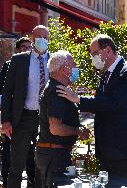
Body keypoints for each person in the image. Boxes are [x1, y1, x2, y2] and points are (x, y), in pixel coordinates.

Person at [57, 34, 127, 186]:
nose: (92, 57)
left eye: (94, 53)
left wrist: (79, 99)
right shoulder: (107, 73)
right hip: (109, 148)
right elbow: (101, 104)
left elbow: (113, 103)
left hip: (125, 149)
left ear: (107, 50)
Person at [1, 25, 50, 188]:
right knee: (16, 165)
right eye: (39, 36)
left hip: (46, 120)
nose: (42, 40)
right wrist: (5, 121)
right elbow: (7, 92)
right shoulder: (19, 60)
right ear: (32, 37)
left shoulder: (55, 61)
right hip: (23, 117)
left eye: (46, 37)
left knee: (40, 165)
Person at [35, 50, 90, 188]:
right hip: (54, 155)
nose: (76, 69)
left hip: (55, 153)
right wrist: (78, 131)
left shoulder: (58, 89)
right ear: (63, 69)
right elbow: (56, 128)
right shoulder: (56, 91)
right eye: (73, 65)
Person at [0, 37, 33, 188]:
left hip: (31, 116)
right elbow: (4, 91)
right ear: (18, 49)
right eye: (23, 46)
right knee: (10, 153)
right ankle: (7, 182)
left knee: (32, 153)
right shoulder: (10, 64)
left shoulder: (36, 63)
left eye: (28, 46)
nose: (26, 49)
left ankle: (33, 181)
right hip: (14, 116)